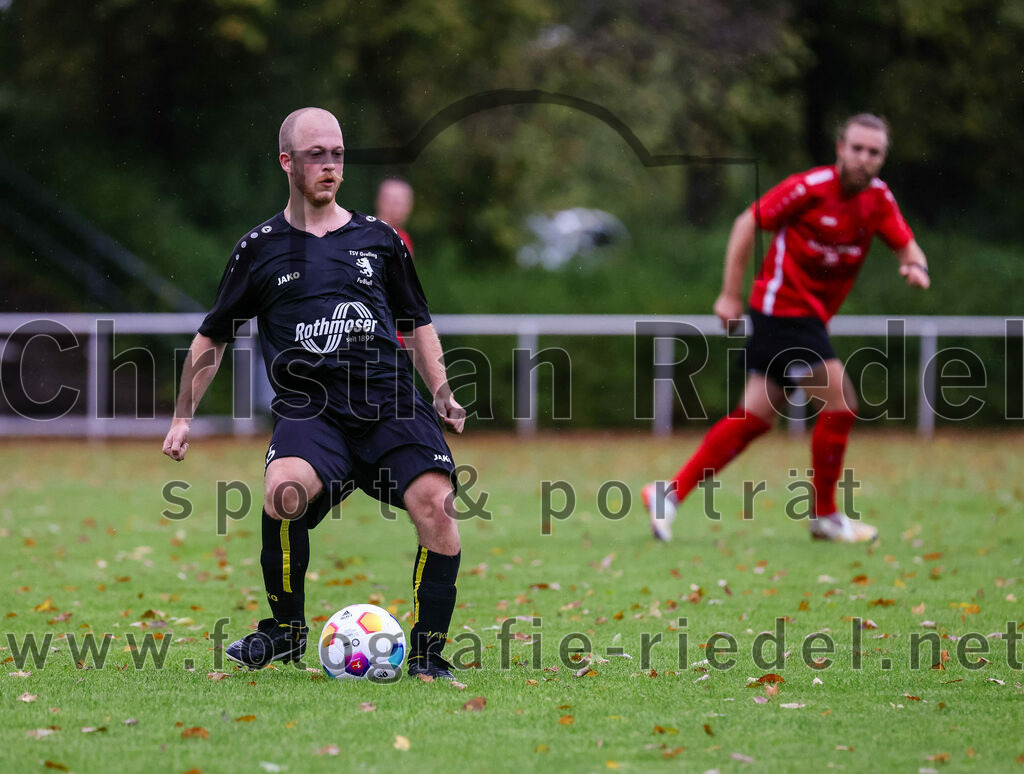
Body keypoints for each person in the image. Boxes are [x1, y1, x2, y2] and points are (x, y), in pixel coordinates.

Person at [161, 107, 466, 679]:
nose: (330, 166)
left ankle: (428, 656)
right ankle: (284, 633)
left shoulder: (380, 240)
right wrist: (183, 416)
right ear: (287, 162)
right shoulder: (259, 248)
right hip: (312, 413)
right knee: (283, 491)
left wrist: (442, 390)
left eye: (338, 155)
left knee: (438, 505)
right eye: (316, 155)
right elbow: (213, 334)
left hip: (391, 407)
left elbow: (418, 320)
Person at [642, 113, 930, 543]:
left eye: (874, 152)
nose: (864, 159)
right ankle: (826, 516)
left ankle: (668, 494)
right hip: (783, 312)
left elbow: (905, 242)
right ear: (840, 148)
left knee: (753, 418)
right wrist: (728, 294)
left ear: (882, 158)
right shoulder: (809, 188)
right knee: (841, 402)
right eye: (857, 148)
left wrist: (915, 264)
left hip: (807, 318)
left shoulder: (878, 199)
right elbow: (746, 223)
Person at [375, 177, 415, 257]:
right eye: (397, 202)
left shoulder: (403, 237)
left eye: (405, 203)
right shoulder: (367, 235)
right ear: (379, 202)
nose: (403, 209)